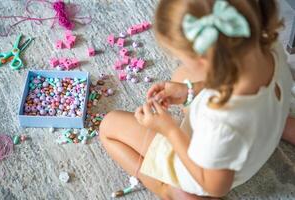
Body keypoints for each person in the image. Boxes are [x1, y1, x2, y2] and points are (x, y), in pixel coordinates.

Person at [99, 0, 294, 199]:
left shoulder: (220, 121)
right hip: (259, 125)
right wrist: (191, 89)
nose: (181, 61)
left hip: (209, 172)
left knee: (108, 126)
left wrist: (169, 129)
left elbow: (216, 187)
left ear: (204, 60)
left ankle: (170, 191)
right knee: (181, 75)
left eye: (181, 57)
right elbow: (232, 74)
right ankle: (281, 124)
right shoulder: (268, 45)